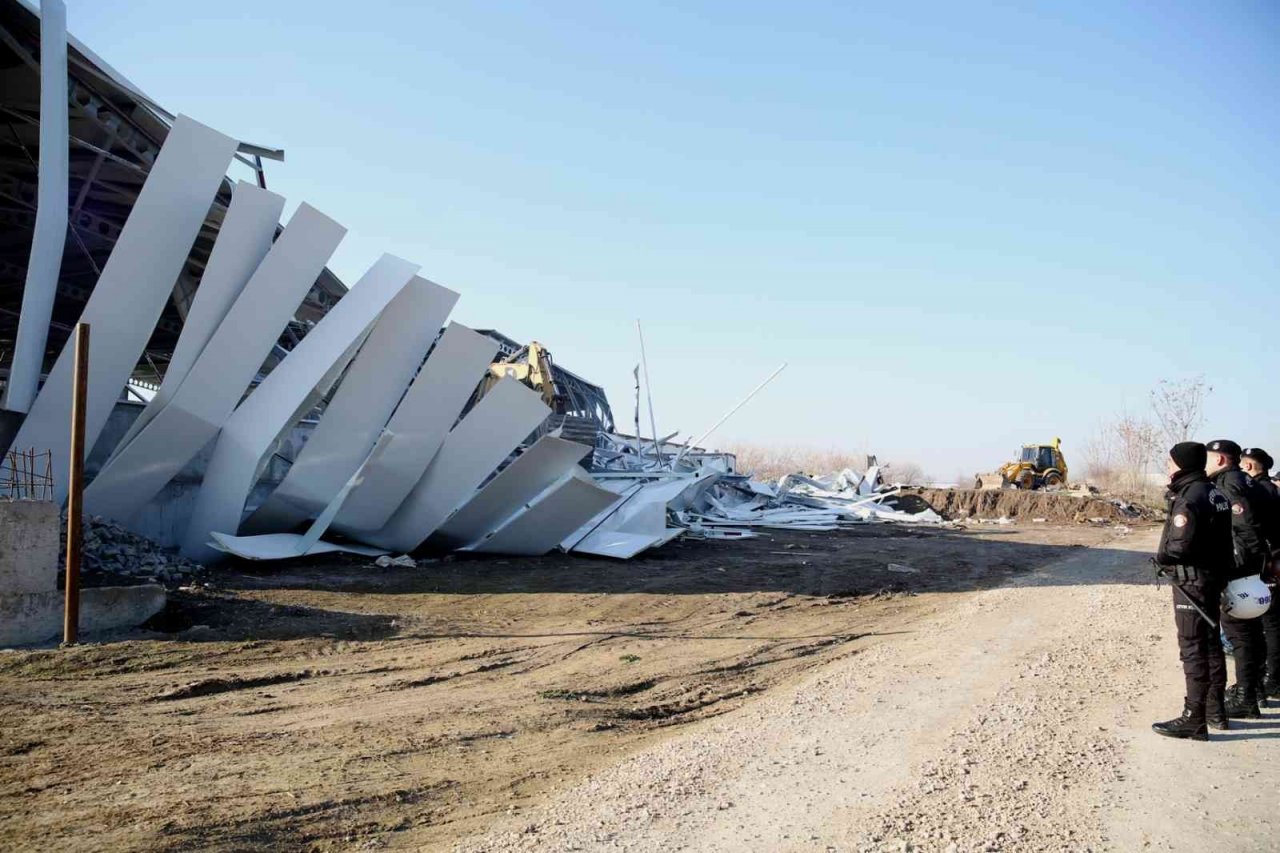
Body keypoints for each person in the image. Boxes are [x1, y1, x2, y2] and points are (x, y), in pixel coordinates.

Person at [1152, 441, 1233, 740]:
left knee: (1193, 649)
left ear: (1182, 464)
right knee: (1211, 646)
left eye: (1171, 463)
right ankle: (1215, 711)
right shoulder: (1215, 492)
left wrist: (1161, 558)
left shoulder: (1190, 496)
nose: (1168, 468)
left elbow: (1179, 545)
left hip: (1191, 583)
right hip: (1211, 580)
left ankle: (1194, 718)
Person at [1206, 439, 1270, 718]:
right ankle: (1253, 690)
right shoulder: (1249, 481)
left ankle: (1246, 698)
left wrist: (1237, 571)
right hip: (1254, 570)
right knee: (1252, 634)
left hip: (1240, 572)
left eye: (1207, 458)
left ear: (1220, 460)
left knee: (1240, 634)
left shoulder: (1228, 484)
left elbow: (1244, 530)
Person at [1241, 447, 1279, 701]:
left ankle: (1271, 680)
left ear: (1251, 467)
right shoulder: (1270, 489)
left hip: (1268, 564)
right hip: (1271, 560)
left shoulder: (1258, 490)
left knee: (1270, 623)